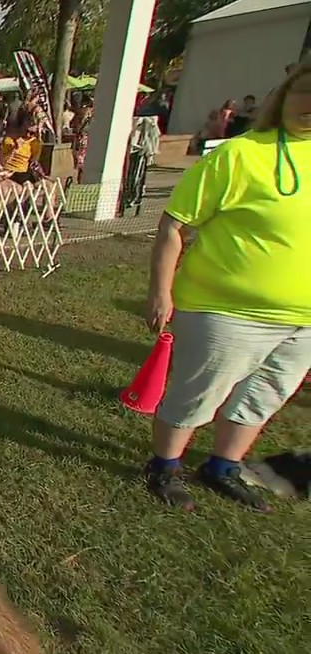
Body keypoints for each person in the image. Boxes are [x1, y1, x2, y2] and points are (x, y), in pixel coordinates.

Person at [142, 58, 310, 513]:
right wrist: (162, 290)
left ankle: (223, 466)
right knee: (198, 393)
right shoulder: (240, 156)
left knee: (264, 396)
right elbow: (174, 225)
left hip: (304, 320)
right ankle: (165, 465)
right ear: (285, 95)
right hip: (225, 308)